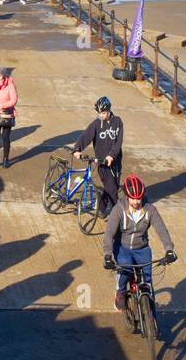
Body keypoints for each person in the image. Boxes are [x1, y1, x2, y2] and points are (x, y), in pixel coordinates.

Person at [102, 174, 175, 310]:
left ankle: (151, 316)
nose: (136, 202)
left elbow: (161, 229)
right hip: (123, 248)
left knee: (147, 280)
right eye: (133, 198)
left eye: (139, 198)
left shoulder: (150, 209)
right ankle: (120, 292)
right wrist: (107, 255)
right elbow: (109, 234)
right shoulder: (118, 210)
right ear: (127, 196)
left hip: (142, 249)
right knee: (125, 271)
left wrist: (169, 249)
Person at [73, 96, 124, 217]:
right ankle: (111, 211)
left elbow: (118, 142)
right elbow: (86, 136)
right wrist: (77, 149)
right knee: (111, 187)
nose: (101, 115)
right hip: (102, 162)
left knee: (114, 186)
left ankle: (102, 206)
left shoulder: (118, 122)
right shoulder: (96, 124)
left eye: (103, 113)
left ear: (109, 110)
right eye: (99, 113)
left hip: (115, 161)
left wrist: (111, 155)